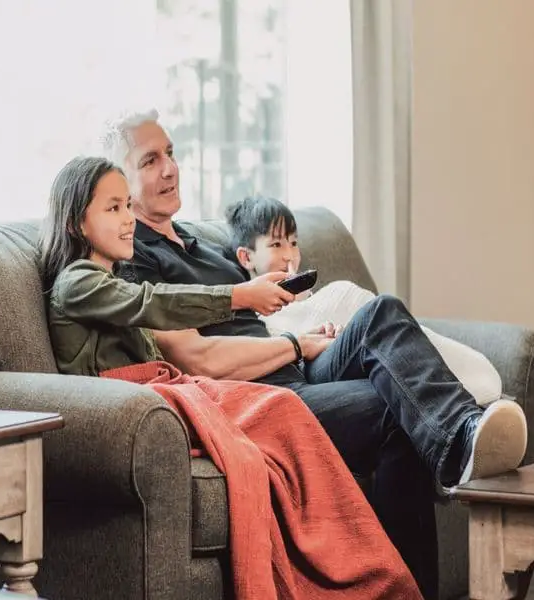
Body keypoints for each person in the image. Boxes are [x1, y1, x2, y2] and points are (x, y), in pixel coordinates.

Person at [100, 108, 528, 600]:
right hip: (259, 394)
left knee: (378, 316)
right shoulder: (137, 259)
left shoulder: (202, 246)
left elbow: (255, 318)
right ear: (122, 185)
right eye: (151, 160)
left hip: (292, 362)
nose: (170, 168)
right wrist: (293, 344)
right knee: (396, 410)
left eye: (171, 153)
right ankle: (453, 461)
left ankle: (460, 433)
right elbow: (198, 359)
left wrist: (303, 333)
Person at [38, 155, 423, 600]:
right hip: (141, 406)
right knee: (285, 407)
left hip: (174, 390)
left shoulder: (113, 282)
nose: (128, 220)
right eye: (113, 209)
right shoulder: (76, 283)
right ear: (74, 223)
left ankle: (379, 573)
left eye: (127, 205)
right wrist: (241, 295)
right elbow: (152, 302)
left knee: (343, 385)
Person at [225, 194, 506, 409]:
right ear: (245, 257)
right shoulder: (255, 319)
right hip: (318, 363)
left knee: (386, 312)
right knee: (378, 312)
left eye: (294, 243)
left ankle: (462, 404)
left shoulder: (313, 296)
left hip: (352, 334)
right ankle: (461, 412)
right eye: (276, 245)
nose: (290, 255)